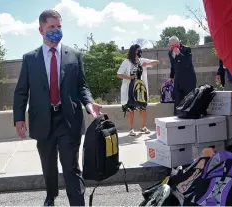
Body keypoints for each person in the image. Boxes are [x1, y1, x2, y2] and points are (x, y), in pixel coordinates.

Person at [13, 9, 102, 206]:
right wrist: (19, 118)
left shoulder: (74, 55)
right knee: (48, 163)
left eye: (59, 26)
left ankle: (77, 202)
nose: (56, 30)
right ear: (41, 30)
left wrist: (88, 103)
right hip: (42, 119)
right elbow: (21, 91)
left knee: (71, 165)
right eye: (52, 27)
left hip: (68, 118)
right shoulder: (30, 59)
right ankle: (51, 196)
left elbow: (82, 86)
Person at [117, 44, 160, 136]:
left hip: (140, 89)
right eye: (137, 50)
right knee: (130, 109)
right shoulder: (126, 62)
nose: (139, 52)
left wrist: (147, 64)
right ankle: (131, 129)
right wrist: (129, 77)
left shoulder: (142, 61)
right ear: (133, 51)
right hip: (130, 90)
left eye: (140, 50)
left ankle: (143, 127)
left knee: (143, 108)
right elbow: (119, 74)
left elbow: (157, 62)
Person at [167, 36, 197, 115]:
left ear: (178, 42)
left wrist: (179, 54)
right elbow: (173, 65)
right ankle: (178, 117)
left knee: (189, 98)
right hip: (178, 78)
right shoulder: (170, 52)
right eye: (171, 45)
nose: (173, 46)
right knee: (178, 99)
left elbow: (188, 63)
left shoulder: (186, 49)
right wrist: (171, 77)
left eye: (175, 44)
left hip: (188, 78)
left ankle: (190, 116)